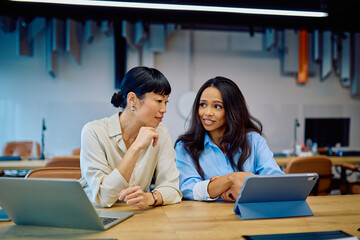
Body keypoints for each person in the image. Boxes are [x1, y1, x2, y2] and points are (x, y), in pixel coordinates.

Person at [79, 66, 182, 208]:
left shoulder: (161, 133)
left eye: (166, 102)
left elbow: (173, 189)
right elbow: (104, 197)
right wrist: (135, 148)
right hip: (96, 215)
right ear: (132, 99)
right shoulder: (93, 132)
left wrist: (151, 197)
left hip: (137, 217)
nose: (164, 109)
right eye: (159, 101)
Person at [175, 76, 283, 201]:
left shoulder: (254, 140)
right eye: (203, 104)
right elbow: (188, 189)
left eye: (217, 106)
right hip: (208, 218)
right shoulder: (185, 146)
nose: (207, 112)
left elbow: (276, 182)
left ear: (232, 110)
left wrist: (219, 185)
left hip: (252, 216)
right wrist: (230, 179)